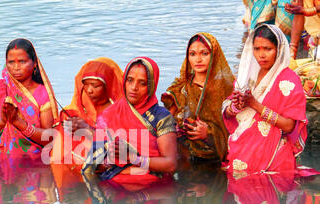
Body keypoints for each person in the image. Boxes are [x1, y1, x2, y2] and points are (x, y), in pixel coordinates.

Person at [223, 24, 313, 175]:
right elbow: (229, 113)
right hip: (242, 150)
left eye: (268, 49)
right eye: (257, 49)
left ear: (279, 50)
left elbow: (289, 126)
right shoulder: (247, 76)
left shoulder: (289, 80)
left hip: (274, 156)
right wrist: (236, 106)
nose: (261, 55)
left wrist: (254, 104)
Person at [82, 57, 177, 189]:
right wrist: (110, 159)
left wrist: (133, 158)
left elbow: (170, 165)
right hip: (113, 187)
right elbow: (95, 166)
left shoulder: (161, 117)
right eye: (130, 80)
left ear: (151, 86)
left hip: (152, 188)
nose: (134, 87)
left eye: (142, 83)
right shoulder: (109, 114)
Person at [0, 38, 59, 160]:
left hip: (33, 161)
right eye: (11, 62)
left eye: (22, 61)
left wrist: (18, 123)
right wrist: (1, 123)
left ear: (35, 63)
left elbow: (49, 139)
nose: (16, 67)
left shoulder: (42, 94)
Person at [161, 33, 234, 164]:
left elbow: (237, 129)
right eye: (192, 54)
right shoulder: (180, 89)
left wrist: (209, 133)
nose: (198, 59)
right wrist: (176, 128)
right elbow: (166, 123)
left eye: (204, 54)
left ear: (215, 56)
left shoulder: (227, 89)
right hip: (184, 157)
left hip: (215, 159)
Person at [51, 57, 123, 165]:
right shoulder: (78, 107)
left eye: (95, 86)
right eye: (86, 84)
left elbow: (120, 144)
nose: (89, 90)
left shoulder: (119, 111)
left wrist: (87, 129)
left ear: (107, 85)